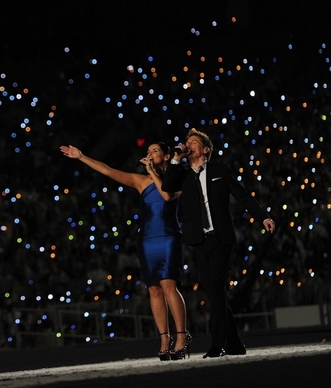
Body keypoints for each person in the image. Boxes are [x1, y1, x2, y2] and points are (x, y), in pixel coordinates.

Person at [60, 142, 189, 361]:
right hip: (147, 238)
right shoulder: (140, 181)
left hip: (168, 236)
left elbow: (167, 195)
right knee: (154, 289)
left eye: (155, 150)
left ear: (167, 156)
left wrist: (151, 172)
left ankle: (182, 336)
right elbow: (108, 170)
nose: (149, 154)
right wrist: (82, 157)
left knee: (169, 286)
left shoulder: (178, 177)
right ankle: (164, 338)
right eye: (147, 152)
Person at [162, 128, 276, 359]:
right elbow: (167, 187)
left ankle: (217, 344)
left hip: (221, 238)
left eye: (193, 142)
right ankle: (235, 344)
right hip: (199, 240)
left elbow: (242, 196)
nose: (189, 145)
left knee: (215, 291)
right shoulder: (183, 174)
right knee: (215, 293)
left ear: (205, 149)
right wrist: (175, 158)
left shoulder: (220, 170)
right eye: (187, 142)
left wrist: (263, 216)